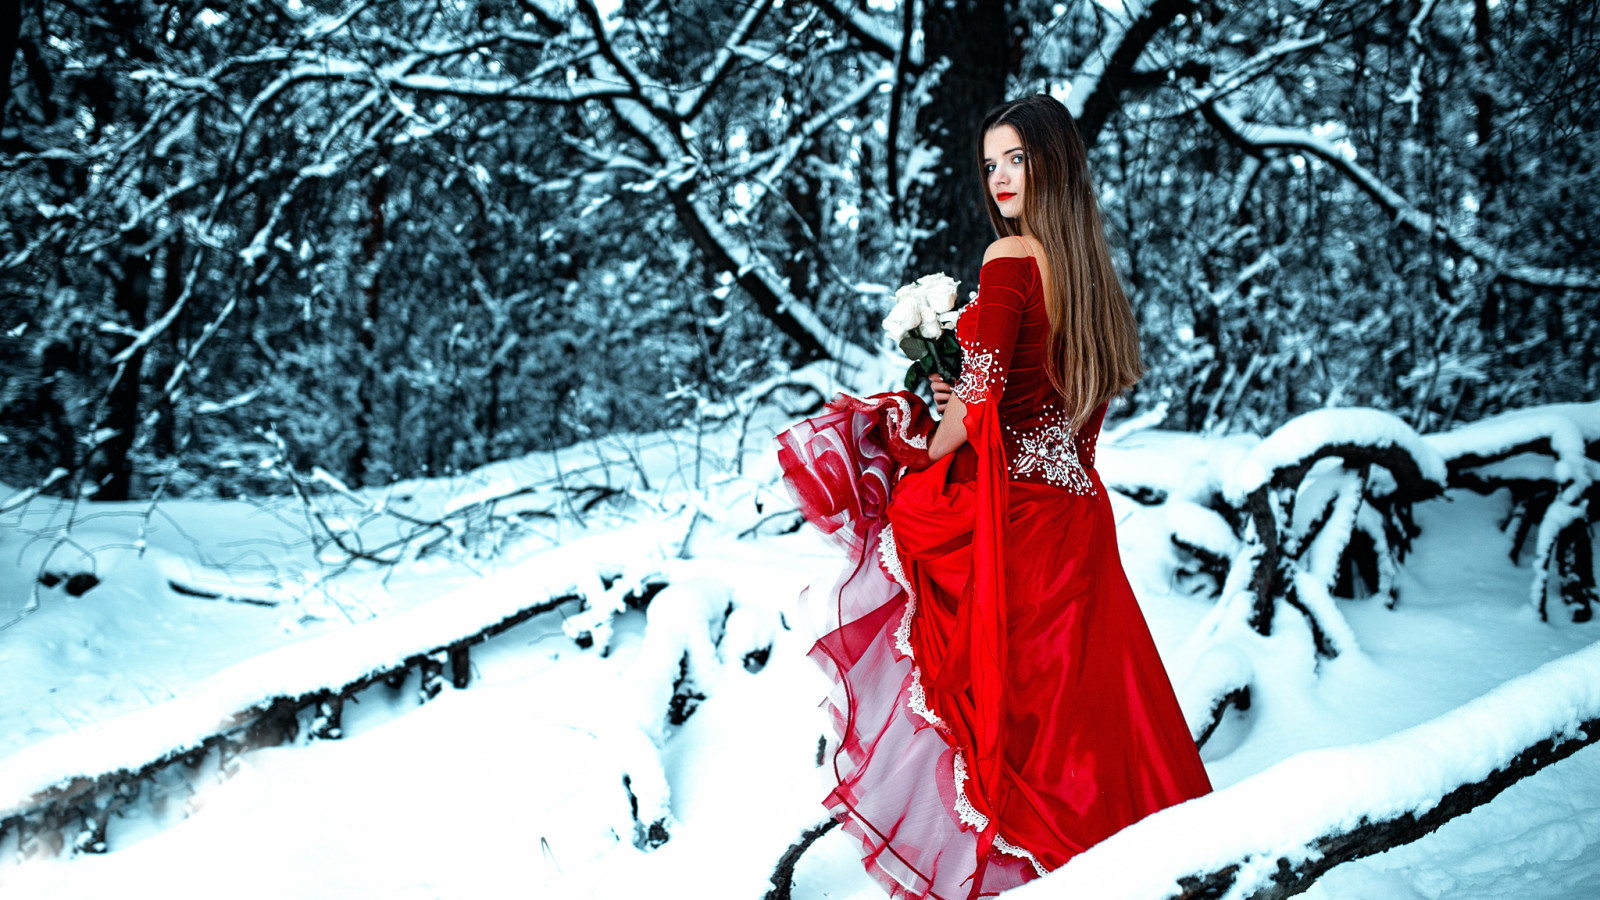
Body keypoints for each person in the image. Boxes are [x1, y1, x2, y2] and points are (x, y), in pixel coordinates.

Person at [775, 94, 1212, 898]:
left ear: (1055, 165)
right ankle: (1152, 871)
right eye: (990, 163)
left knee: (1016, 731)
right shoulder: (1091, 276)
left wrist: (911, 444)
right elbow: (1050, 411)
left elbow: (978, 410)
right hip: (1077, 517)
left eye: (1018, 159)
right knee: (1094, 724)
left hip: (1015, 521)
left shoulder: (1009, 259)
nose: (1001, 177)